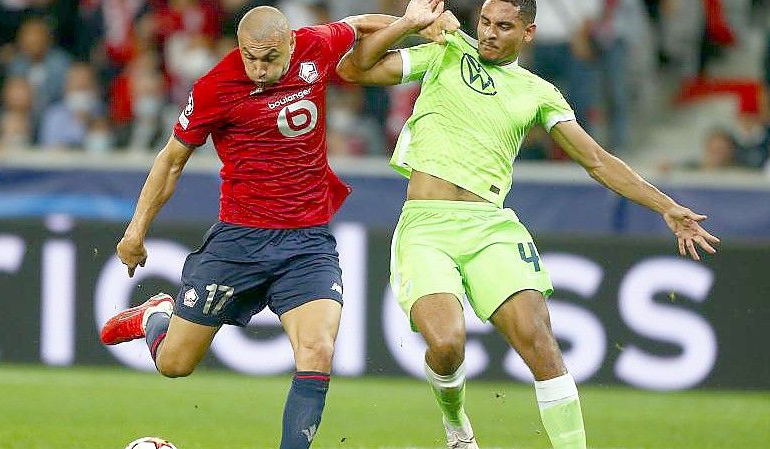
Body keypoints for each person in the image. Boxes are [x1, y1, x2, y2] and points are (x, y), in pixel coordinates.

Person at [336, 1, 720, 448]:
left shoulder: (538, 93)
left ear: (528, 32)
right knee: (446, 346)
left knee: (540, 344)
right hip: (426, 225)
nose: (490, 33)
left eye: (504, 26)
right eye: (484, 22)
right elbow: (354, 69)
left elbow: (596, 160)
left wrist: (666, 207)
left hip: (490, 227)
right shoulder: (445, 52)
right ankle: (457, 425)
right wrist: (406, 24)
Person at [99, 5, 454, 449]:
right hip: (239, 241)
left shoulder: (315, 45)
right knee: (175, 364)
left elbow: (362, 24)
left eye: (270, 58)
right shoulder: (214, 88)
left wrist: (420, 25)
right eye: (251, 57)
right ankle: (156, 314)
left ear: (291, 43)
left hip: (308, 243)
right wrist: (135, 231)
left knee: (318, 350)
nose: (260, 69)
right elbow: (171, 161)